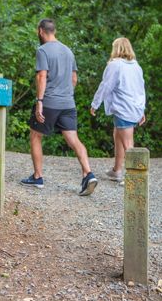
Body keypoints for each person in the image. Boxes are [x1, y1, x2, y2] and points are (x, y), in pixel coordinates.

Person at [21, 18, 97, 196]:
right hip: (68, 103)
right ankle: (88, 173)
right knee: (73, 139)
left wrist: (40, 102)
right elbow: (74, 79)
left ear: (40, 31)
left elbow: (41, 76)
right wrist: (66, 95)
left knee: (35, 135)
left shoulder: (42, 50)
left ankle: (38, 177)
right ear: (53, 30)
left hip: (49, 102)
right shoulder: (68, 51)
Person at [90, 37, 146, 182]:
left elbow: (106, 86)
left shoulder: (116, 65)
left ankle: (134, 178)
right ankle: (117, 170)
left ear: (116, 49)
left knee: (128, 143)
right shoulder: (136, 66)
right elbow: (140, 90)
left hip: (123, 108)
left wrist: (95, 103)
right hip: (133, 108)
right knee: (118, 136)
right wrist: (141, 110)